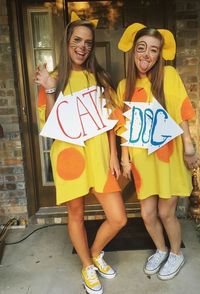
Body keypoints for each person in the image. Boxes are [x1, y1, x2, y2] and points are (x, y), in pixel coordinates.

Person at [35, 13, 127, 294]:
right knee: (76, 213)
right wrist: (49, 89)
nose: (82, 46)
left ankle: (96, 252)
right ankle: (87, 265)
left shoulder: (98, 77)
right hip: (69, 158)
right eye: (77, 40)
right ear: (67, 42)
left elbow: (111, 119)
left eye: (88, 42)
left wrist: (114, 153)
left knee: (118, 218)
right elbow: (51, 124)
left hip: (100, 156)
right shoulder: (53, 79)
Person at [115, 23, 200, 280]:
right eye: (141, 48)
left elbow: (182, 111)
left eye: (153, 50)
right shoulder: (124, 86)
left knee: (166, 212)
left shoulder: (170, 75)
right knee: (147, 213)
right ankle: (161, 249)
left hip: (168, 157)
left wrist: (189, 146)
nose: (146, 55)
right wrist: (124, 157)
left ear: (159, 55)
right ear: (133, 51)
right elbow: (124, 127)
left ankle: (176, 253)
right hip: (142, 159)